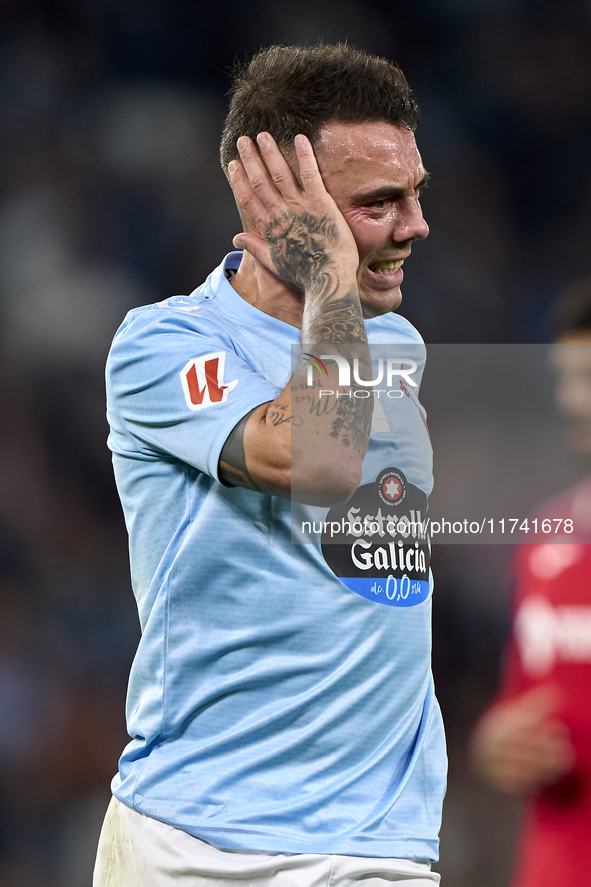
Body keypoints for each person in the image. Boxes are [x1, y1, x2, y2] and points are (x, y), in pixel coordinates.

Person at [94, 44, 446, 886]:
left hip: (380, 843)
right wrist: (326, 275)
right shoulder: (165, 343)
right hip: (196, 841)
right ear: (287, 205)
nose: (415, 225)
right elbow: (317, 459)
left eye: (416, 193)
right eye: (379, 203)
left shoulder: (395, 342)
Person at [471, 278, 591, 887]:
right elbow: (523, 701)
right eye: (566, 378)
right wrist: (498, 743)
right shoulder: (546, 538)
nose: (574, 401)